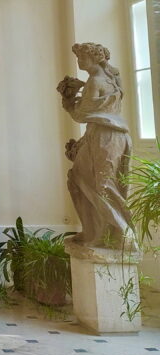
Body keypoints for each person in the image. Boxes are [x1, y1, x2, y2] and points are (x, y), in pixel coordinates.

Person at [57, 42, 134, 247]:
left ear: (95, 58)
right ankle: (96, 231)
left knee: (103, 186)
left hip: (105, 136)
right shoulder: (112, 78)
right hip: (109, 135)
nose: (79, 62)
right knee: (80, 178)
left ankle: (121, 235)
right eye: (78, 58)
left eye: (82, 58)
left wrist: (68, 101)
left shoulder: (95, 81)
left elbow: (82, 115)